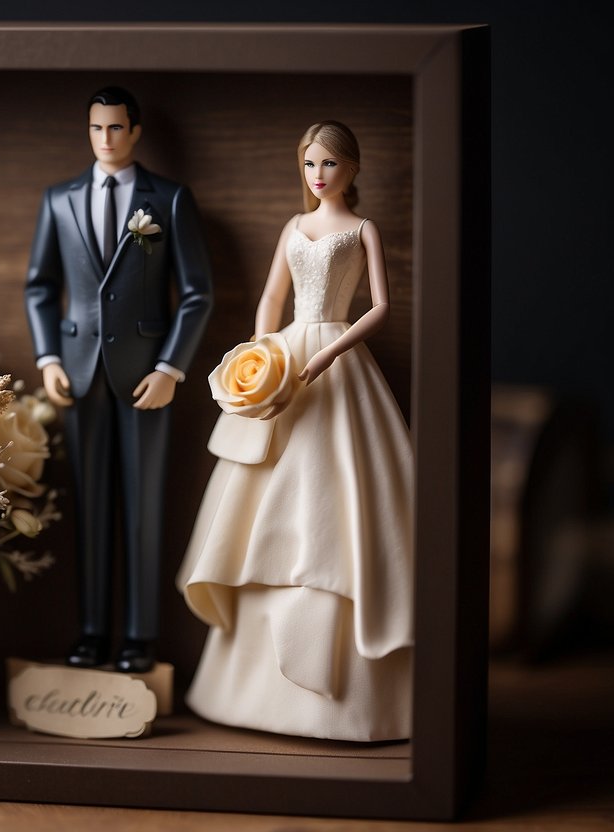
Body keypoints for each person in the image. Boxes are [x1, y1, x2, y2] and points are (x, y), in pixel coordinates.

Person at [176, 121, 414, 740]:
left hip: (334, 353)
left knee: (335, 494)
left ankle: (355, 693)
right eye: (310, 165)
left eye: (330, 165)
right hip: (283, 358)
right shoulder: (293, 226)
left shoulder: (362, 230)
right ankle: (246, 688)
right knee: (258, 495)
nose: (319, 176)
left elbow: (381, 306)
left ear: (352, 169)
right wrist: (261, 352)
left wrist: (330, 353)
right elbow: (270, 296)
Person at [25, 86, 213, 673]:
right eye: (96, 129)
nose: (105, 139)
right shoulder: (58, 199)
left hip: (144, 378)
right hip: (78, 376)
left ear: (135, 132)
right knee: (89, 505)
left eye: (115, 128)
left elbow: (197, 294)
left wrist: (170, 368)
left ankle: (139, 636)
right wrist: (48, 359)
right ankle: (90, 630)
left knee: (143, 504)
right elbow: (39, 287)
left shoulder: (171, 199)